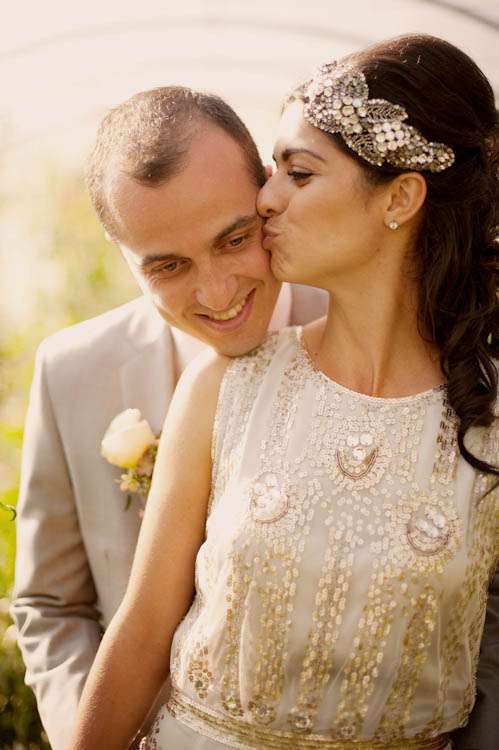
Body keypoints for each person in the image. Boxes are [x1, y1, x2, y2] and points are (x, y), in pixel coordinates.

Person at [69, 33, 498, 750]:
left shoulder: (485, 416)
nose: (266, 198)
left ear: (399, 197)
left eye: (297, 174)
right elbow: (142, 630)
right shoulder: (226, 385)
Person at [10, 88, 328, 750]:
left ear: (267, 190)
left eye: (234, 239)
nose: (216, 292)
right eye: (168, 266)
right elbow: (51, 606)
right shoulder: (72, 372)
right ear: (123, 253)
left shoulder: (371, 333)